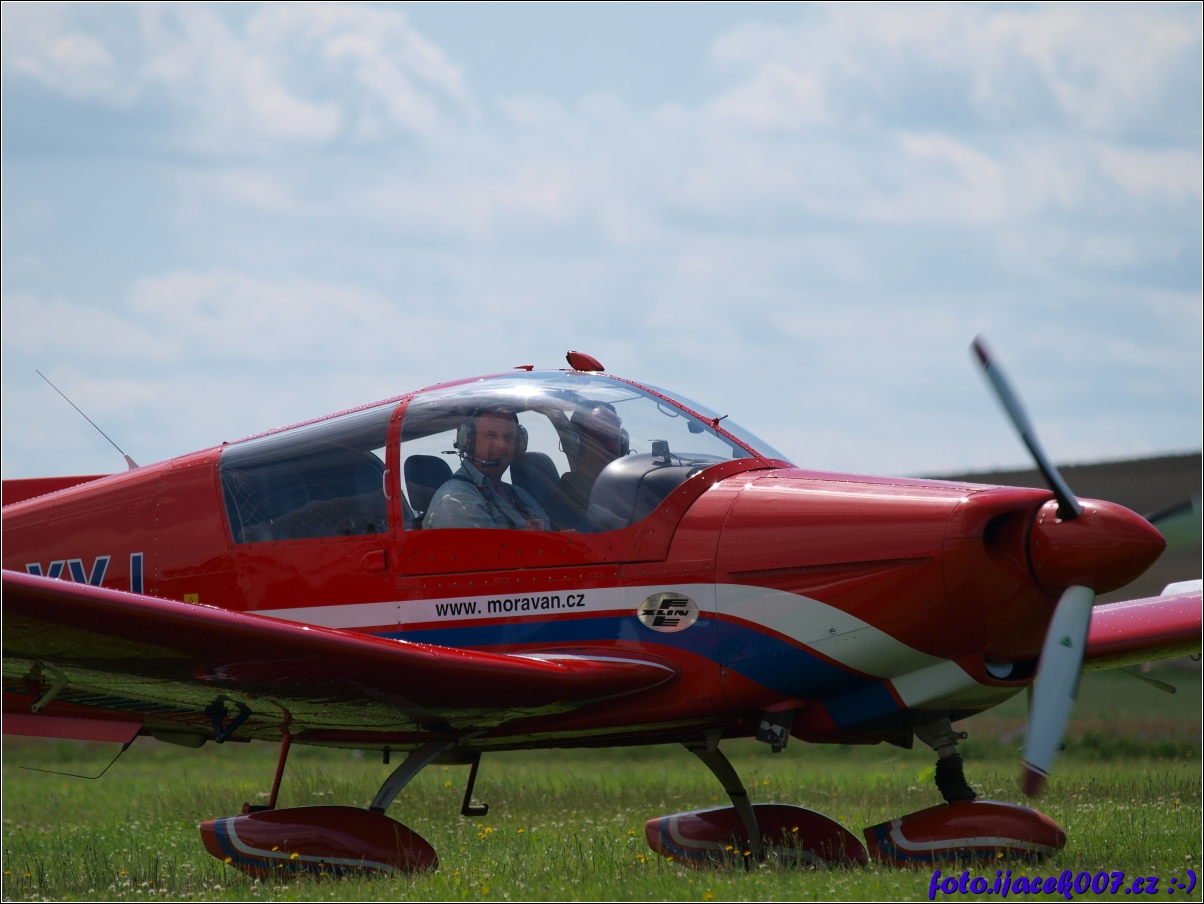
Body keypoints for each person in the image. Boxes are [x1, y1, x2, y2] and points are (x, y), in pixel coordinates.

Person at [424, 406, 550, 531]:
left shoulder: (519, 494)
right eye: (491, 436)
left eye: (509, 437)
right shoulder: (455, 499)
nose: (501, 445)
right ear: (468, 441)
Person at [544, 402, 625, 532]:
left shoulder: (626, 490)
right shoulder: (566, 497)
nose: (613, 447)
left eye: (618, 439)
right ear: (575, 443)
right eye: (603, 439)